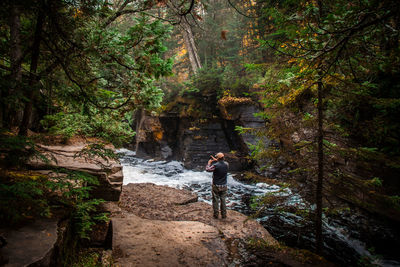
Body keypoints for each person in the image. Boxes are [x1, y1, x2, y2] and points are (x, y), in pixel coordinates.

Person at [206, 152, 229, 219]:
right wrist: (217, 160)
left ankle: (216, 215)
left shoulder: (216, 166)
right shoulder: (227, 164)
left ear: (217, 158)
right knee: (223, 200)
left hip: (216, 185)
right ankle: (224, 215)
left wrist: (209, 163)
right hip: (224, 185)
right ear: (223, 158)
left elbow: (208, 169)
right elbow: (222, 162)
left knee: (215, 200)